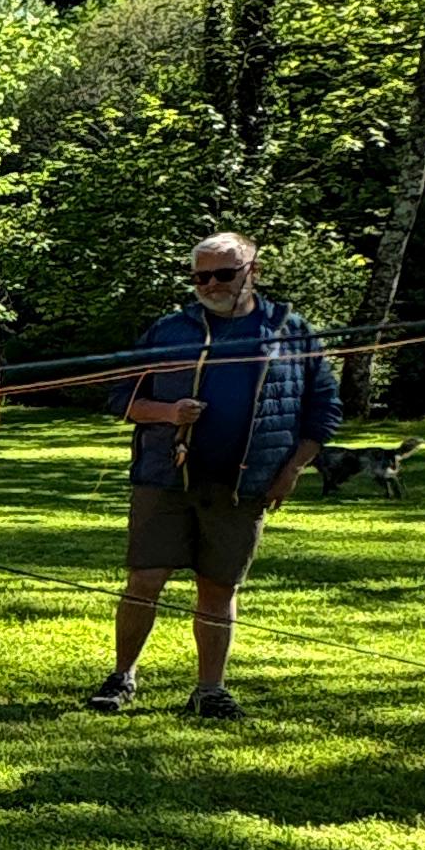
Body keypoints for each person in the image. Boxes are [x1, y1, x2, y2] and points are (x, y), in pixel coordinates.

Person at [87, 233, 335, 719]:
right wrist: (168, 412)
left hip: (246, 481)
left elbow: (323, 411)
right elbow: (123, 399)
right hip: (164, 477)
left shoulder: (290, 331)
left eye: (223, 274)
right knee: (145, 578)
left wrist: (291, 471)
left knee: (218, 587)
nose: (211, 284)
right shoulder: (170, 330)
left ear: (253, 271)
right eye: (201, 276)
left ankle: (210, 690)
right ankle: (121, 677)